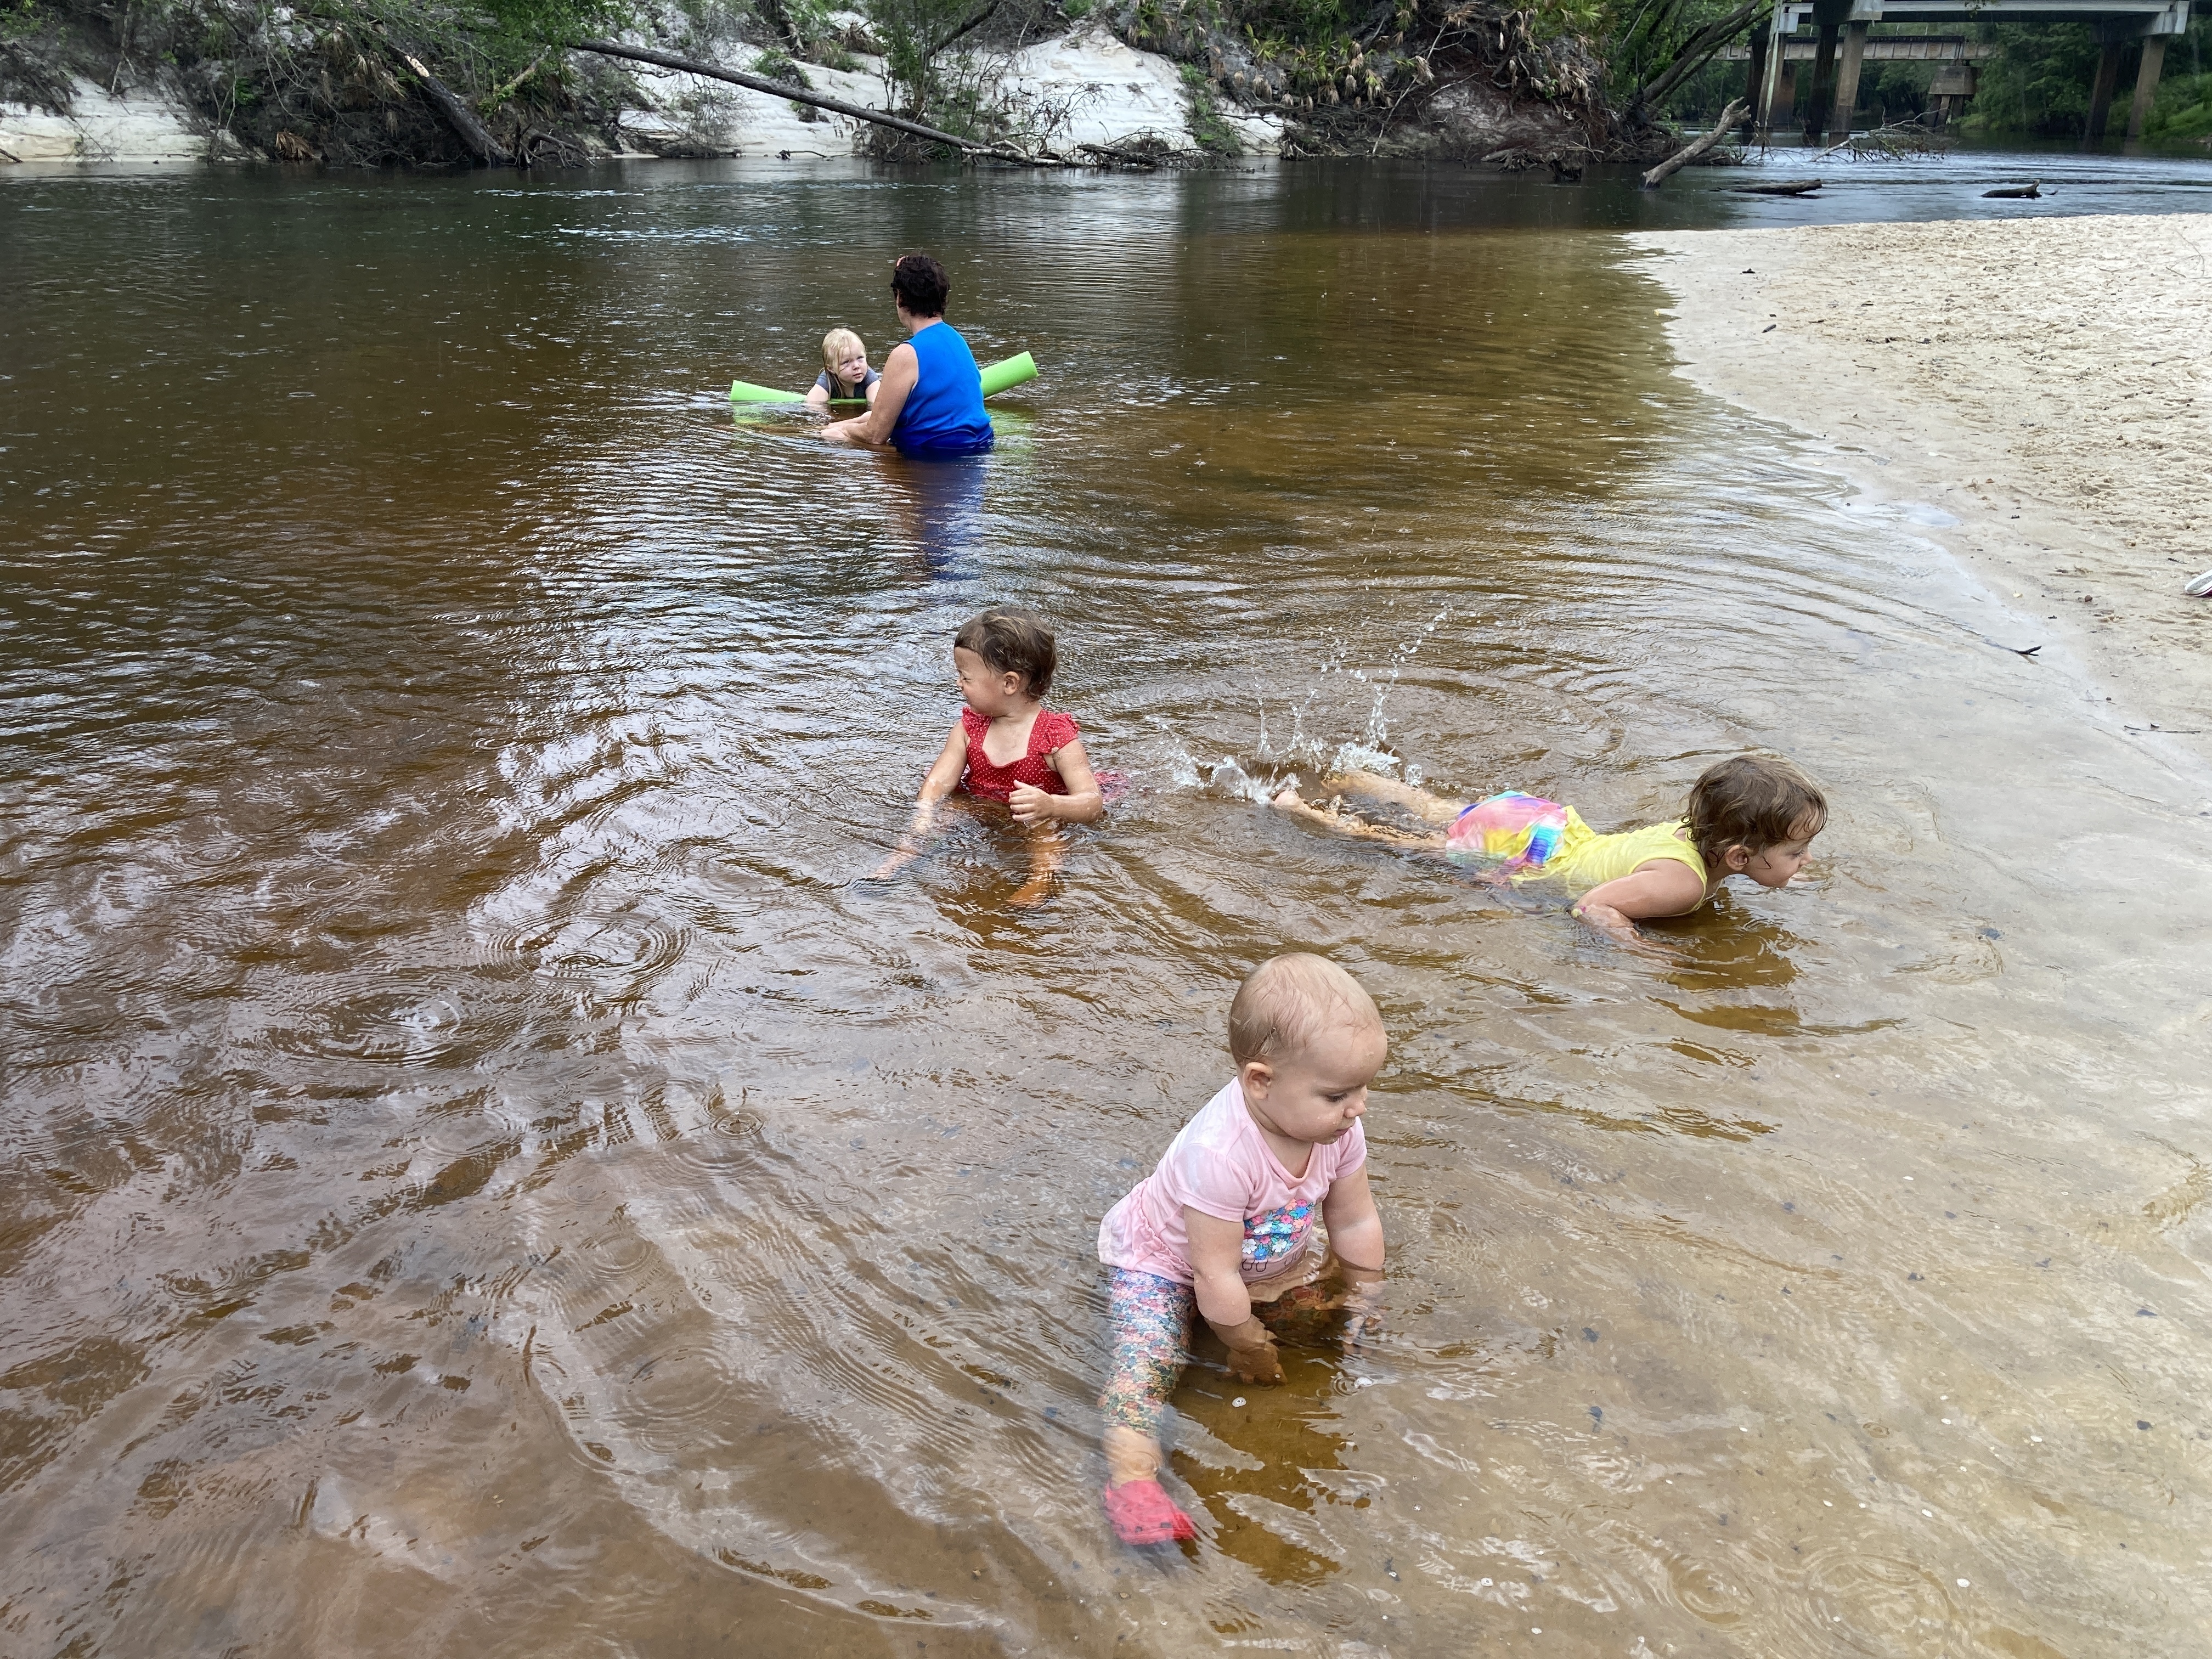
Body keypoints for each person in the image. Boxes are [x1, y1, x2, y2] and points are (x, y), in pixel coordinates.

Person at [1093, 953, 1387, 1547]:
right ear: (1260, 1081)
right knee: (1147, 1360)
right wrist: (1246, 1343)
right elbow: (1213, 1272)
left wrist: (1364, 1292)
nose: (1358, 1108)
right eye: (1337, 1094)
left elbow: (1354, 1218)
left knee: (1322, 1319)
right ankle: (1132, 1482)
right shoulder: (1220, 1155)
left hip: (1262, 1258)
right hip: (1167, 1263)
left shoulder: (1336, 1129)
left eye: (1363, 1088)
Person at [1271, 754, 1827, 944]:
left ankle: (1364, 781)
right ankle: (1304, 812)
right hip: (1533, 861)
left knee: (1445, 813)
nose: (1801, 862)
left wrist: (1778, 871)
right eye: (1795, 853)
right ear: (1737, 857)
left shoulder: (1694, 834)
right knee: (1418, 847)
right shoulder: (1682, 885)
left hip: (1545, 826)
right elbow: (1594, 906)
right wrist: (1641, 950)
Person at [873, 608, 1103, 904]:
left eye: (965, 676)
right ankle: (895, 864)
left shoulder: (1055, 737)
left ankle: (1041, 881)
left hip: (1033, 812)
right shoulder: (970, 726)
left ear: (1009, 683)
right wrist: (925, 811)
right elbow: (940, 780)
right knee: (946, 814)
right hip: (983, 804)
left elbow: (1091, 802)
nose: (958, 684)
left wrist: (1052, 804)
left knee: (1045, 830)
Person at [820, 253, 995, 457]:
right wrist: (845, 423)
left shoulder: (906, 354)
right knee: (863, 420)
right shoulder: (957, 339)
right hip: (981, 447)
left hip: (934, 456)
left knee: (835, 437)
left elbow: (876, 435)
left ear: (901, 298)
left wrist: (840, 431)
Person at [804, 327, 880, 408]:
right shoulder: (828, 380)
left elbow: (878, 409)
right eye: (846, 362)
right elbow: (812, 407)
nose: (857, 366)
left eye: (860, 358)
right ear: (831, 369)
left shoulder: (870, 379)